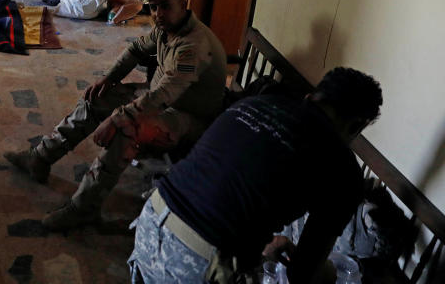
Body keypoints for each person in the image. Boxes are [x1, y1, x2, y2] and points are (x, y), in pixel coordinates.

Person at [4, 0, 227, 231]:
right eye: (153, 7)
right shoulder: (167, 29)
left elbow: (164, 94)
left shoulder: (193, 45)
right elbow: (135, 50)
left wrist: (119, 117)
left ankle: (83, 209)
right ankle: (41, 158)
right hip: (164, 101)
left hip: (188, 118)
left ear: (183, 5)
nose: (158, 14)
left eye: (165, 6)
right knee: (98, 97)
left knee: (126, 129)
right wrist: (108, 79)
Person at [127, 67, 383, 283]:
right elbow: (303, 272)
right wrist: (329, 272)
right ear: (357, 125)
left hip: (150, 222)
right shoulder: (342, 167)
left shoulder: (257, 102)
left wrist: (258, 243)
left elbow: (230, 188)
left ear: (312, 96)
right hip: (198, 261)